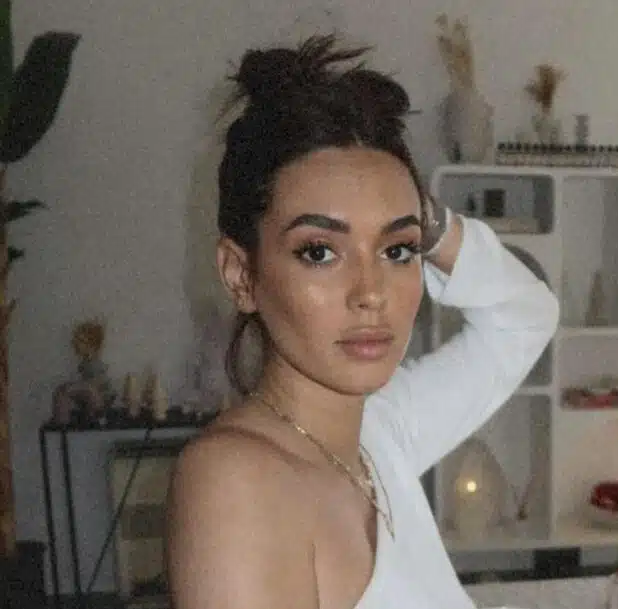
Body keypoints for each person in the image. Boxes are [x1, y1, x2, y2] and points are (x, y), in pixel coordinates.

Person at [166, 34, 559, 609]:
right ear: (240, 273)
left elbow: (526, 316)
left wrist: (428, 220)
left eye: (397, 250)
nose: (371, 293)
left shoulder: (378, 434)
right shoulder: (236, 480)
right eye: (320, 251)